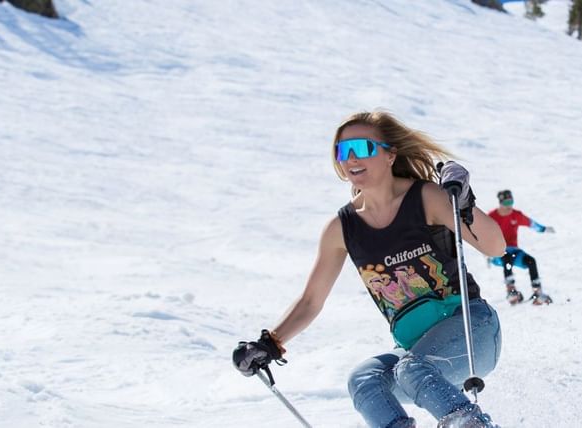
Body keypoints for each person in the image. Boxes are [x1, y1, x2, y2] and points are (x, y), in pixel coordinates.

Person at [232, 111, 507, 428]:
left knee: (410, 369)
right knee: (364, 380)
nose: (351, 158)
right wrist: (270, 343)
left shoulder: (425, 197)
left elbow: (495, 247)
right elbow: (311, 301)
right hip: (417, 351)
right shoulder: (342, 228)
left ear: (390, 154)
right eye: (342, 151)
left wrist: (463, 203)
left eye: (361, 148)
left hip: (472, 331)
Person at [487, 189, 555, 305]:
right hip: (498, 253)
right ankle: (511, 291)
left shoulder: (516, 215)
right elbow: (482, 233)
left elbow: (531, 223)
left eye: (511, 202)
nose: (509, 206)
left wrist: (544, 229)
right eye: (506, 203)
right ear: (500, 203)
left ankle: (537, 292)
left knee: (531, 261)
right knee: (506, 257)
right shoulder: (491, 217)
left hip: (514, 251)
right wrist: (487, 253)